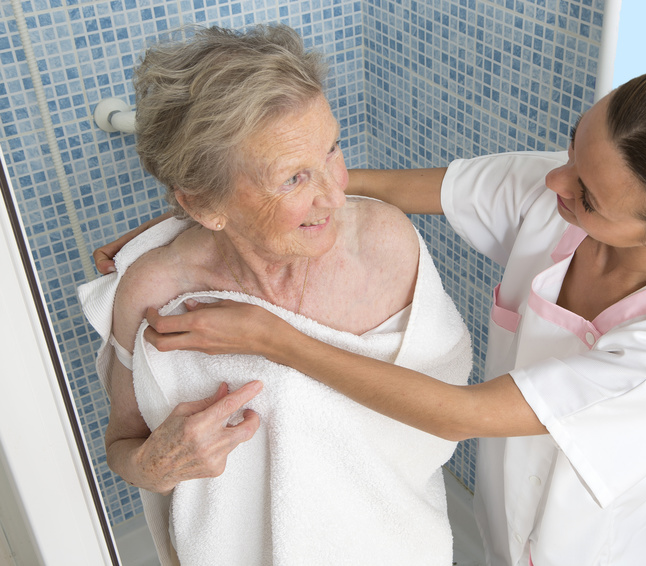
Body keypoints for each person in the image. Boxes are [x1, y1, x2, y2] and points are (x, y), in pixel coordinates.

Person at [100, 63, 646, 565]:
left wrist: (275, 339)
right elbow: (407, 187)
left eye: (585, 195)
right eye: (570, 148)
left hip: (590, 542)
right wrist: (206, 215)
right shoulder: (564, 188)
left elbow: (458, 415)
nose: (552, 182)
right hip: (491, 513)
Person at [78, 24, 472, 566]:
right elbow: (124, 447)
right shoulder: (155, 292)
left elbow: (445, 415)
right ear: (202, 204)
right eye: (293, 179)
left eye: (333, 147)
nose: (336, 194)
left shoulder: (385, 247)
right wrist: (155, 466)